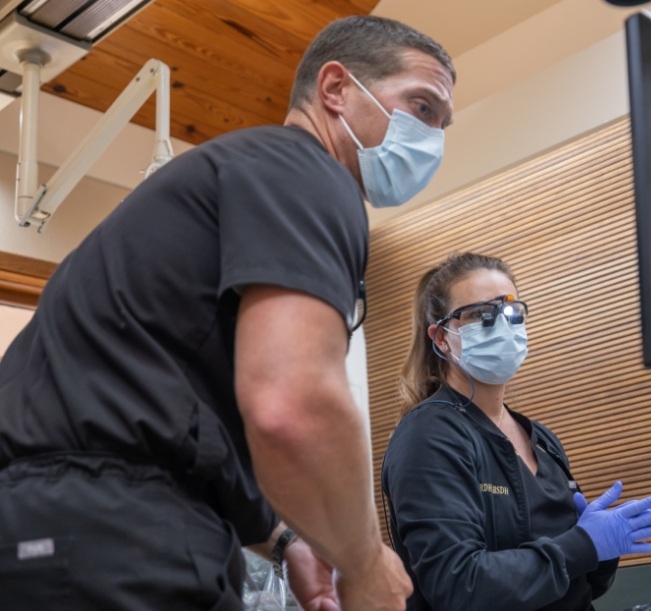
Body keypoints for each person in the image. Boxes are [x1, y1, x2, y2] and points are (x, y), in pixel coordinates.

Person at [0, 15, 454, 611]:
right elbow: (292, 405)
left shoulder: (241, 174)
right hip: (117, 536)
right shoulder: (308, 171)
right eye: (421, 107)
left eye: (443, 125)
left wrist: (286, 537)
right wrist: (365, 565)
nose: (433, 139)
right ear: (336, 89)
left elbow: (181, 413)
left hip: (45, 530)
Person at [381, 252, 651, 611]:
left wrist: (603, 550)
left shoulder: (542, 439)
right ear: (442, 338)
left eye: (511, 311)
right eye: (480, 314)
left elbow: (580, 585)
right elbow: (459, 585)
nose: (502, 326)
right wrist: (582, 544)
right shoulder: (429, 435)